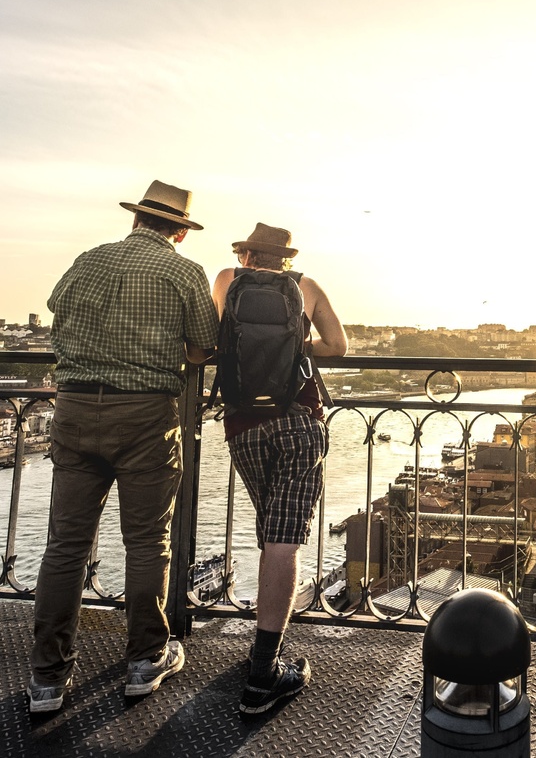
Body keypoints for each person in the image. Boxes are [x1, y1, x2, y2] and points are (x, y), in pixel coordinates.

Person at [27, 180, 218, 714]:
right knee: (146, 541)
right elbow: (203, 349)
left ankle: (47, 676)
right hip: (144, 416)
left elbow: (56, 315)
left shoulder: (88, 260)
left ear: (136, 219)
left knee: (66, 545)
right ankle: (144, 659)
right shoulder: (183, 271)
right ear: (180, 231)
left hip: (73, 407)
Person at [213, 222, 347, 715]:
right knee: (284, 536)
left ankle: (265, 646)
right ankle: (263, 670)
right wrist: (298, 348)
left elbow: (213, 342)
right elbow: (339, 346)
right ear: (285, 259)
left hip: (244, 425)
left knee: (269, 526)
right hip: (297, 420)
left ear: (247, 255)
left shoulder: (227, 280)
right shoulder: (305, 288)